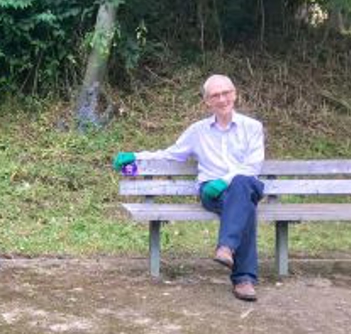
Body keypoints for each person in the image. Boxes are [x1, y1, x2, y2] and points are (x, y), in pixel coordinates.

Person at [113, 74, 265, 301]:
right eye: (216, 95)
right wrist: (135, 157)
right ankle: (243, 280)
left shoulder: (252, 127)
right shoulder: (197, 131)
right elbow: (170, 154)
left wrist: (225, 180)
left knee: (241, 185)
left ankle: (226, 248)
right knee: (245, 207)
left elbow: (252, 165)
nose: (222, 99)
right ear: (207, 101)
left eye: (226, 93)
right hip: (212, 193)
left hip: (244, 185)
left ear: (235, 94)